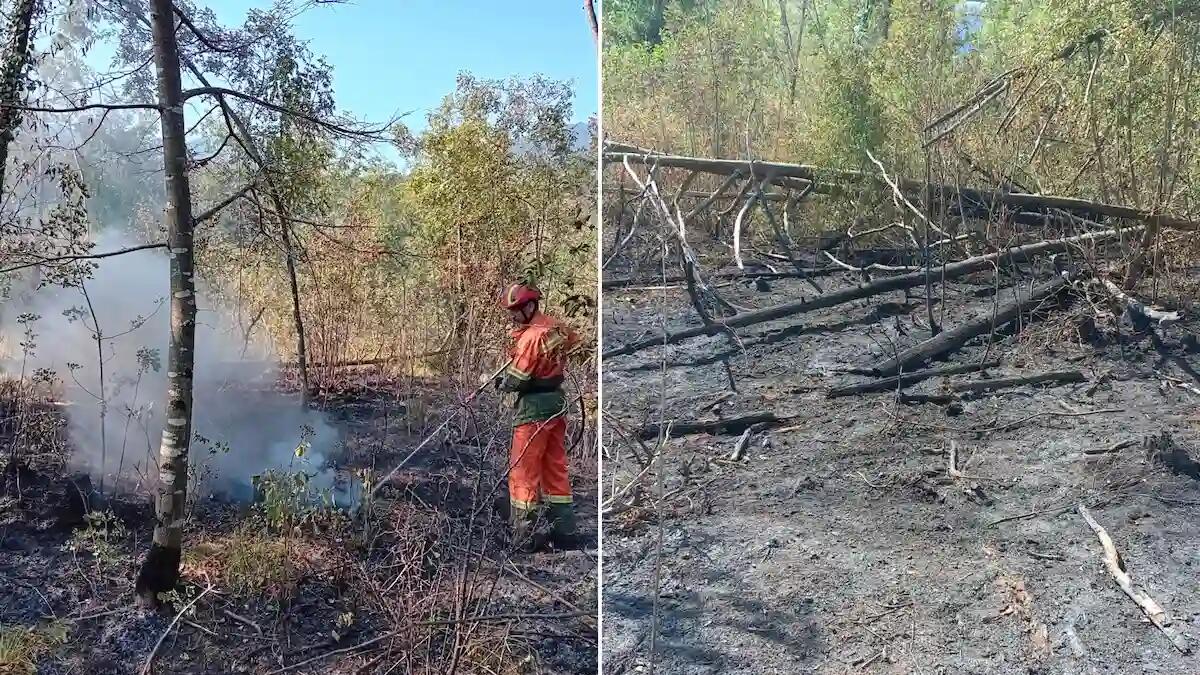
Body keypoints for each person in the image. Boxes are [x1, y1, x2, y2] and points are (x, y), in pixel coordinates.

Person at [495, 282, 579, 552]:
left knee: (523, 471)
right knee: (554, 466)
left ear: (529, 307)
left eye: (515, 311)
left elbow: (517, 379)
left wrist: (501, 382)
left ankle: (524, 533)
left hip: (532, 409)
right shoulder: (556, 327)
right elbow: (574, 343)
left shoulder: (532, 337)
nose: (512, 317)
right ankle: (564, 530)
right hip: (556, 403)